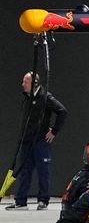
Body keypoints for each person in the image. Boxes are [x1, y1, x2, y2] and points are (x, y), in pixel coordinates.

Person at [6, 72, 68, 211]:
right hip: (26, 141)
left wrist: (54, 131)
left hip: (40, 142)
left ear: (34, 84)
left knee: (43, 172)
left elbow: (62, 111)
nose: (23, 85)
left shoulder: (46, 97)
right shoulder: (27, 98)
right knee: (24, 171)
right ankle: (21, 201)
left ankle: (43, 201)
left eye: (25, 82)